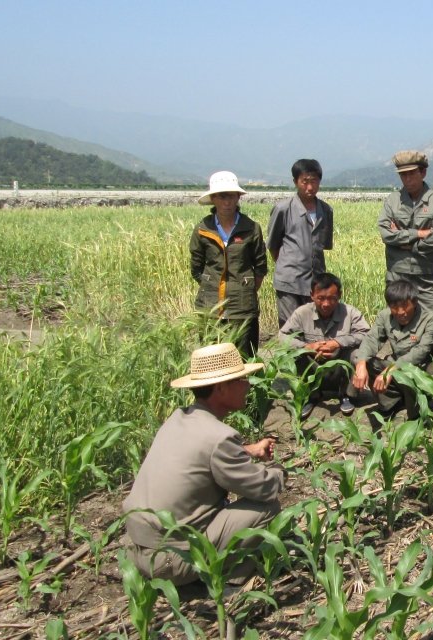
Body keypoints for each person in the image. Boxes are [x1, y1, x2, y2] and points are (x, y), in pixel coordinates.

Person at [123, 343, 284, 585]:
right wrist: (278, 469)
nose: (247, 385)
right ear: (221, 388)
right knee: (267, 508)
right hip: (170, 561)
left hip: (136, 548)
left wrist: (248, 450)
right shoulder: (220, 436)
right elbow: (264, 488)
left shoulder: (178, 418)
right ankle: (230, 578)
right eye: (241, 380)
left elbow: (199, 455)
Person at [190, 171, 267, 358]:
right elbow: (196, 267)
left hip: (243, 307)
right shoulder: (203, 228)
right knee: (212, 358)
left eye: (231, 196)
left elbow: (260, 266)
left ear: (238, 197)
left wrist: (244, 289)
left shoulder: (251, 228)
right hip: (210, 305)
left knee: (245, 357)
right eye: (222, 196)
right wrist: (211, 284)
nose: (227, 202)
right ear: (213, 199)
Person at [278, 272, 370, 418]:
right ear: (312, 295)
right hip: (314, 368)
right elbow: (282, 336)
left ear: (339, 295)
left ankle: (347, 395)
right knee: (295, 354)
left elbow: (366, 334)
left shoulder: (350, 312)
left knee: (357, 354)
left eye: (331, 299)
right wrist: (307, 348)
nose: (326, 304)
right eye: (321, 298)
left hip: (341, 371)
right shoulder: (302, 313)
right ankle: (311, 395)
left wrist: (337, 343)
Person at [350, 279, 433, 426]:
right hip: (395, 369)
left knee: (422, 373)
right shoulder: (384, 316)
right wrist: (361, 365)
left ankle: (418, 411)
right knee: (359, 357)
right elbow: (372, 339)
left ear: (415, 302)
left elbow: (421, 351)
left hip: (419, 370)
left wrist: (390, 370)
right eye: (394, 307)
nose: (400, 312)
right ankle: (390, 404)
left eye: (405, 306)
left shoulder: (431, 319)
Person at [378, 150, 433, 314]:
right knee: (396, 323)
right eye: (403, 175)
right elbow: (386, 234)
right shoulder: (393, 200)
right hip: (397, 275)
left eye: (411, 174)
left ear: (423, 172)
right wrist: (418, 234)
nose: (407, 179)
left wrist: (407, 245)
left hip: (425, 276)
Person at [267, 159, 334, 327]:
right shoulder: (283, 209)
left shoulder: (326, 210)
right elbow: (273, 245)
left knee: (313, 326)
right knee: (291, 327)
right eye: (305, 182)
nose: (310, 187)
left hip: (315, 280)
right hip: (289, 281)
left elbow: (322, 245)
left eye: (314, 182)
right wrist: (288, 265)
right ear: (295, 182)